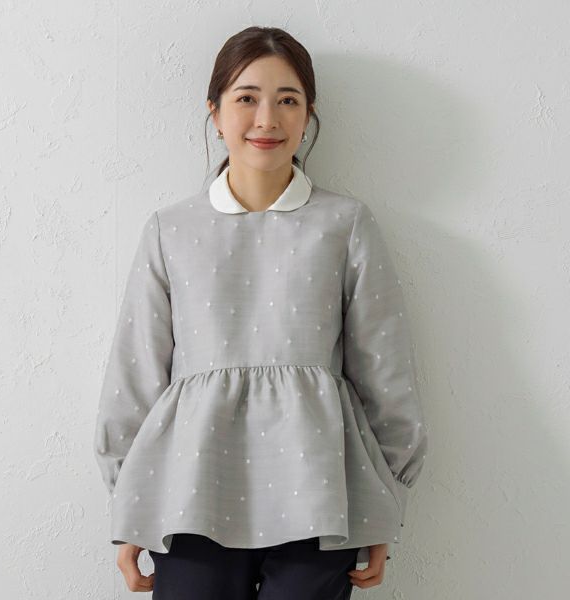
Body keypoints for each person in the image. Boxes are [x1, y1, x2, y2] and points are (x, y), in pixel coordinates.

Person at [93, 25, 428, 599]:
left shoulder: (344, 224)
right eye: (247, 97)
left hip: (318, 491)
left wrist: (385, 501)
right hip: (190, 492)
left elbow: (385, 371)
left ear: (308, 115)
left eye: (288, 100)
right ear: (215, 112)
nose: (267, 119)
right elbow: (135, 372)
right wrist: (129, 505)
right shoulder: (172, 229)